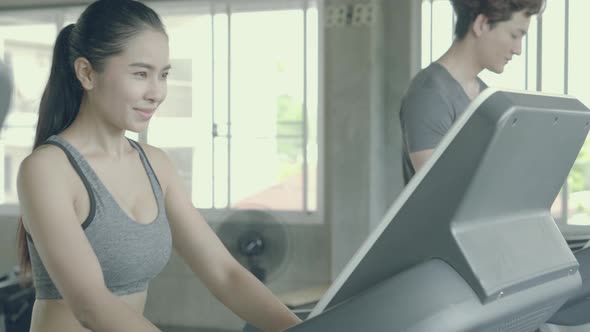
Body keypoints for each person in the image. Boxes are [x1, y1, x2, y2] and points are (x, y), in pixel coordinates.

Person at [15, 1, 301, 331]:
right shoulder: (47, 170)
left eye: (163, 75)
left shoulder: (156, 164)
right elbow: (90, 304)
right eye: (140, 74)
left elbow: (226, 274)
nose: (157, 93)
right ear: (87, 73)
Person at [400, 0, 545, 184]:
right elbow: (438, 191)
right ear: (482, 24)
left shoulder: (487, 98)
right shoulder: (428, 94)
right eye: (514, 35)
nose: (518, 50)